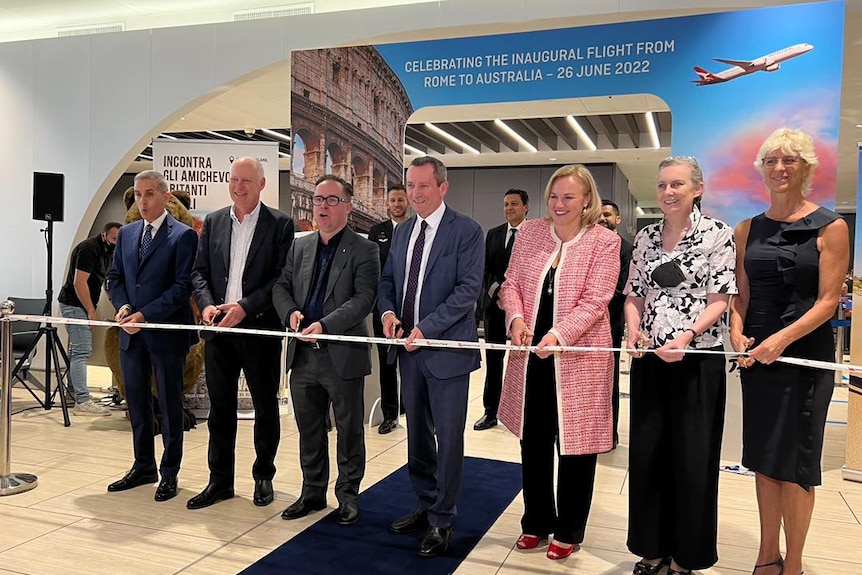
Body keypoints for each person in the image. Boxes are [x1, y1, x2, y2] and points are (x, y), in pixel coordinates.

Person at [729, 128, 849, 575]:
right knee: (763, 458)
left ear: (806, 168)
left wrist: (779, 340)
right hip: (757, 360)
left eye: (790, 160)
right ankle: (766, 555)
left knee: (797, 464)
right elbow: (740, 295)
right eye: (772, 160)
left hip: (805, 360)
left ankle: (793, 564)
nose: (780, 168)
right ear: (762, 169)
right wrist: (737, 333)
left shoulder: (831, 226)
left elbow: (827, 302)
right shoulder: (746, 229)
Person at [498, 165, 619, 561]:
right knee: (533, 441)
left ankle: (568, 528)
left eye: (569, 197)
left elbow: (596, 300)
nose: (560, 204)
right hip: (530, 356)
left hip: (578, 360)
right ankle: (535, 521)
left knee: (576, 448)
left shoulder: (604, 241)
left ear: (587, 200)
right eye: (554, 196)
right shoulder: (531, 233)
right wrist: (515, 317)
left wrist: (559, 335)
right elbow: (511, 282)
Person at [624, 156, 736, 575]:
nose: (668, 192)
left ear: (697, 189)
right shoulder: (646, 237)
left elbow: (721, 298)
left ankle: (686, 559)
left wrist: (686, 337)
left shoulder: (717, 234)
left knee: (693, 460)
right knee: (649, 455)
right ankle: (652, 549)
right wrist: (633, 332)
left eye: (677, 185)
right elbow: (634, 294)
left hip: (698, 361)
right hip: (652, 361)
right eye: (663, 185)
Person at [377, 156, 484, 558]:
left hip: (446, 352)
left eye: (424, 186)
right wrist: (388, 314)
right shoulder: (403, 232)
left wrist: (427, 328)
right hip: (407, 350)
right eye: (411, 186)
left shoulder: (466, 232)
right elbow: (387, 281)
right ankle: (424, 502)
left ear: (442, 187)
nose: (415, 194)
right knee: (417, 435)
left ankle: (443, 519)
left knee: (449, 437)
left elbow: (468, 290)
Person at [187, 156, 295, 510]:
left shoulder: (280, 225)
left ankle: (263, 476)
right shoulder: (215, 221)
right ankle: (219, 481)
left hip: (259, 329)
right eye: (234, 180)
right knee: (220, 410)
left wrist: (245, 306)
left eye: (247, 180)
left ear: (262, 184)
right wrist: (205, 304)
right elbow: (199, 272)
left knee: (265, 407)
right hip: (218, 331)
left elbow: (281, 278)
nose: (239, 186)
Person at [272, 174, 379, 526]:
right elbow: (281, 286)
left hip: (341, 353)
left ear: (347, 206)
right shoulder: (299, 246)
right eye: (318, 199)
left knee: (349, 430)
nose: (322, 206)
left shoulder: (365, 249)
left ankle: (348, 497)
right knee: (309, 429)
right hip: (303, 355)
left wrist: (326, 324)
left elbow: (364, 298)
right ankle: (312, 492)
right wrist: (290, 314)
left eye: (332, 200)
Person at [106, 170, 199, 502]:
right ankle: (143, 465)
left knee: (171, 406)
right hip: (131, 335)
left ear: (165, 197)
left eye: (149, 194)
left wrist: (144, 314)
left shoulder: (184, 236)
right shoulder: (128, 234)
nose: (142, 201)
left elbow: (181, 288)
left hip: (164, 334)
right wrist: (123, 306)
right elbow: (114, 278)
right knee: (138, 404)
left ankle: (169, 472)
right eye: (138, 194)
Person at [474, 188, 529, 432]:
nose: (509, 208)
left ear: (526, 207)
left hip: (524, 311)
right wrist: (498, 294)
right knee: (494, 361)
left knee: (523, 363)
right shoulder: (494, 234)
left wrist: (514, 300)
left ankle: (524, 412)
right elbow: (485, 270)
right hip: (495, 307)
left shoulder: (534, 234)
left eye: (514, 204)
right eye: (506, 204)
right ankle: (490, 412)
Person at [58, 221, 121, 416]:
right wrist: (90, 311)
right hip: (74, 305)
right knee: (82, 350)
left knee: (76, 350)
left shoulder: (108, 253)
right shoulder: (89, 249)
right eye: (113, 239)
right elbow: (79, 283)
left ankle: (73, 392)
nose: (116, 243)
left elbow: (107, 282)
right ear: (104, 236)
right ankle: (82, 400)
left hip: (83, 305)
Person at [369, 184, 409, 434]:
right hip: (382, 307)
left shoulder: (417, 229)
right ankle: (390, 414)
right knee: (386, 364)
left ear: (408, 203)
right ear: (387, 204)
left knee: (412, 364)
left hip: (410, 308)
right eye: (392, 200)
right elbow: (372, 269)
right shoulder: (377, 232)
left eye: (401, 200)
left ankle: (413, 410)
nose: (397, 204)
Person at [598, 199, 633, 447]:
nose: (602, 218)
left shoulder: (627, 249)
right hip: (582, 328)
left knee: (608, 381)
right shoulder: (587, 245)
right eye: (599, 214)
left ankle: (609, 434)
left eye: (608, 215)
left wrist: (595, 306)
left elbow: (623, 288)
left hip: (610, 323)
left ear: (617, 219)